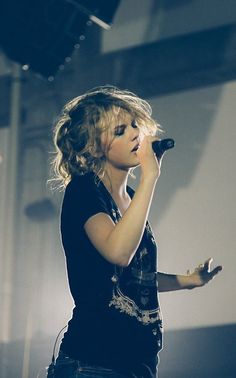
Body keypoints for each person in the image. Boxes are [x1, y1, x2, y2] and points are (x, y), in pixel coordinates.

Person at [47, 85, 222, 378]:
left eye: (135, 125)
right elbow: (118, 252)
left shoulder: (130, 196)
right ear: (92, 146)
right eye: (119, 131)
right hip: (93, 363)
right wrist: (150, 177)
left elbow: (134, 278)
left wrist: (188, 280)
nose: (134, 134)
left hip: (137, 365)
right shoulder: (85, 191)